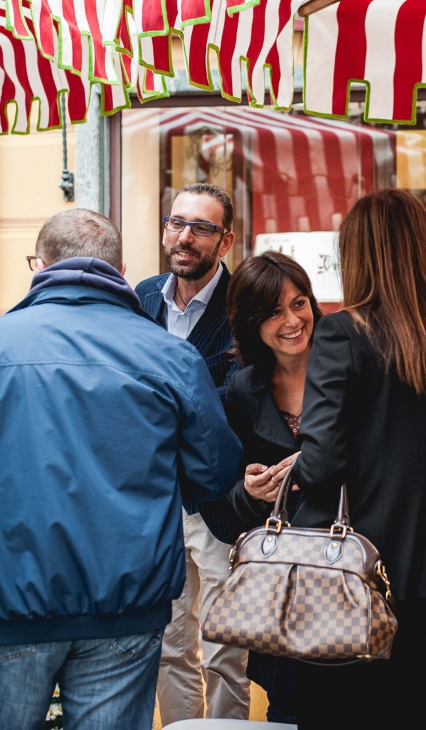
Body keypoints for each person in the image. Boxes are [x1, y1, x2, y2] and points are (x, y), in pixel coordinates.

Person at [0, 209, 242, 730]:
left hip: (8, 598)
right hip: (126, 603)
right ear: (120, 269)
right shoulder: (169, 355)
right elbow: (215, 471)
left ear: (39, 265)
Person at [285, 189, 426, 729]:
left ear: (358, 255)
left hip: (352, 569)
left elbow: (322, 463)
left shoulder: (341, 333)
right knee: (420, 714)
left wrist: (292, 476)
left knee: (335, 714)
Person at [136, 183, 251, 724]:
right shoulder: (140, 298)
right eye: (176, 223)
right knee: (168, 641)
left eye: (201, 228)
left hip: (219, 498)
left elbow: (246, 397)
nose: (184, 237)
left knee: (227, 646)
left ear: (224, 241)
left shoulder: (244, 304)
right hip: (155, 498)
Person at [203, 251, 323, 723]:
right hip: (282, 592)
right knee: (290, 710)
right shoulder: (241, 391)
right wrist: (250, 494)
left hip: (351, 572)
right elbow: (220, 507)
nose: (292, 321)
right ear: (251, 323)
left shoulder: (351, 370)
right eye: (274, 312)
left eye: (299, 303)